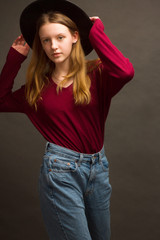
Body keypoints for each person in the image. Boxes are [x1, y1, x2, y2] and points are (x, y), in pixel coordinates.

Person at [0, 0, 134, 239]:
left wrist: (96, 34)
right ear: (40, 45)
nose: (53, 46)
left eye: (60, 37)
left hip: (98, 169)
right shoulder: (36, 90)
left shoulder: (97, 74)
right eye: (46, 40)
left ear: (74, 36)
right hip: (60, 172)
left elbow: (125, 72)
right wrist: (13, 60)